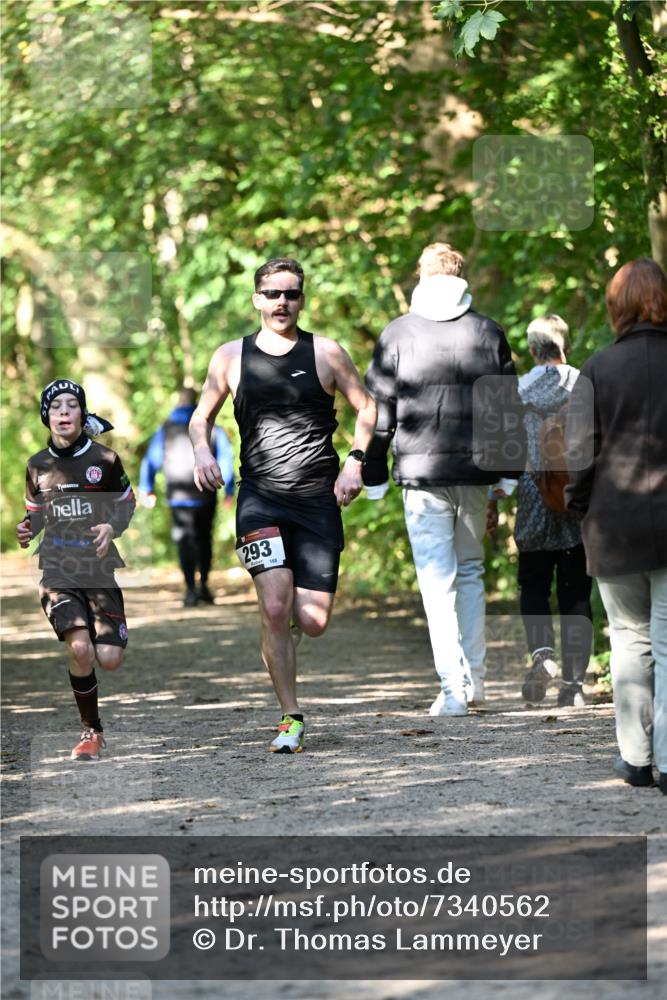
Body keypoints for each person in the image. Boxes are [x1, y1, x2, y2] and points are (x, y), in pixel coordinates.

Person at [189, 257, 377, 753]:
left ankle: (280, 628)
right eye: (272, 293)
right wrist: (203, 451)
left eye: (291, 293)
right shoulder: (230, 357)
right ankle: (290, 717)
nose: (281, 302)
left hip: (316, 499)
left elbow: (368, 406)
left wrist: (355, 462)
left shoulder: (328, 353)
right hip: (259, 497)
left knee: (312, 622)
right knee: (275, 605)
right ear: (256, 298)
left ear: (302, 299)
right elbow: (200, 417)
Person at [363, 242, 524, 717]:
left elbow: (378, 414)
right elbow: (506, 409)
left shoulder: (398, 334)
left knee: (438, 582)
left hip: (423, 473)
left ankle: (453, 690)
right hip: (476, 473)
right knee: (470, 572)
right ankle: (475, 682)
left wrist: (373, 473)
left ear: (421, 275)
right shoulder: (488, 331)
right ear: (461, 276)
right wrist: (507, 476)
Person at [565, 258, 667, 791]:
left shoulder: (597, 368)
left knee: (629, 640)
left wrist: (577, 504)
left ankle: (636, 758)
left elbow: (580, 454)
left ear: (616, 307)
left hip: (614, 525)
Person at [16, 379, 136, 761]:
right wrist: (26, 528)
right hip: (57, 568)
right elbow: (35, 517)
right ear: (46, 417)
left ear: (83, 415)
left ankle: (95, 723)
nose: (64, 412)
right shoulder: (37, 466)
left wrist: (110, 527)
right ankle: (91, 731)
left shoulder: (105, 460)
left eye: (72, 405)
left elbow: (126, 503)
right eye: (56, 407)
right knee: (79, 647)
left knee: (110, 659)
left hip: (99, 571)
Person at [496, 315, 593, 707]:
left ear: (534, 349)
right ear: (563, 343)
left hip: (535, 500)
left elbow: (508, 450)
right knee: (576, 594)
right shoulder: (585, 384)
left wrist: (497, 493)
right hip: (576, 500)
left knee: (534, 585)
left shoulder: (519, 390)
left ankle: (542, 656)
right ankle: (573, 687)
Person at [139, 386, 235, 607]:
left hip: (177, 496)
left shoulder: (165, 429)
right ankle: (204, 587)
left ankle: (190, 589)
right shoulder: (212, 429)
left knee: (184, 542)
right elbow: (227, 459)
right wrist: (229, 490)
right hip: (205, 493)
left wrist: (147, 487)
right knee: (204, 539)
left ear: (178, 401)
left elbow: (150, 460)